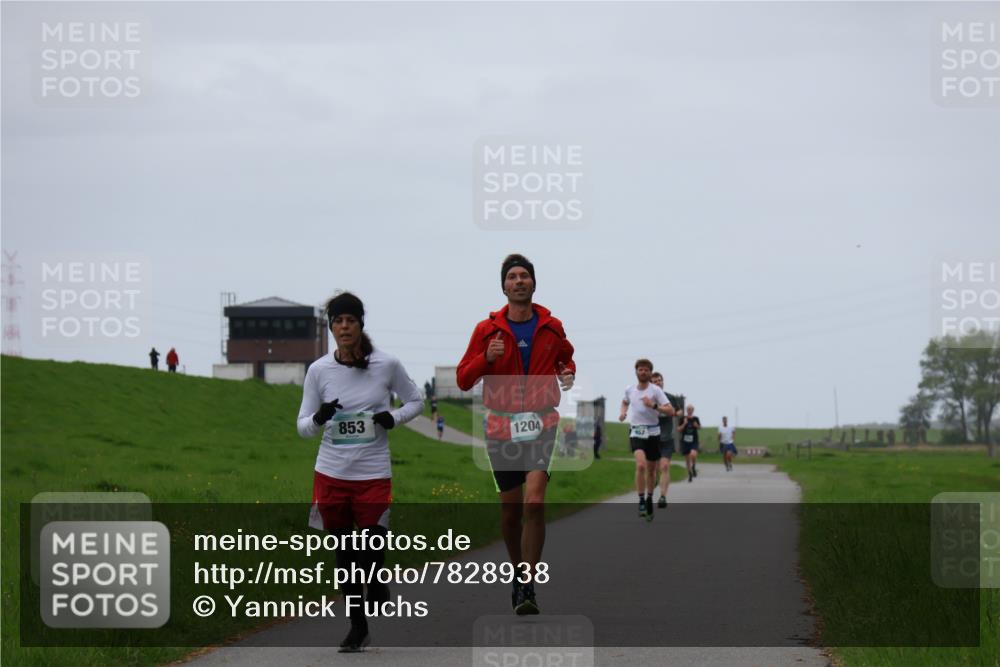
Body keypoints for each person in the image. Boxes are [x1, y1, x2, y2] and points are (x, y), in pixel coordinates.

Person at [296, 292, 423, 652]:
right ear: (331, 327)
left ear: (360, 323)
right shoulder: (319, 371)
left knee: (371, 546)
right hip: (331, 472)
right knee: (344, 554)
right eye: (338, 321)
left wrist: (392, 417)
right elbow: (302, 426)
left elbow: (416, 402)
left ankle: (377, 576)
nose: (345, 326)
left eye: (351, 319)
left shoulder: (386, 364)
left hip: (372, 471)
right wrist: (319, 418)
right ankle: (357, 627)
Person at [457, 253, 576, 616]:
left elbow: (566, 358)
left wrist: (567, 372)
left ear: (533, 284)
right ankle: (516, 571)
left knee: (534, 502)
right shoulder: (486, 330)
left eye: (525, 276)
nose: (519, 281)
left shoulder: (552, 326)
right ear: (504, 286)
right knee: (510, 513)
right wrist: (486, 360)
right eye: (512, 277)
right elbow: (464, 379)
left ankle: (528, 582)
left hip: (542, 423)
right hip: (501, 426)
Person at [619, 359, 673, 520]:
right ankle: (641, 499)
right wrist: (623, 412)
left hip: (653, 433)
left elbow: (670, 410)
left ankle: (650, 497)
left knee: (651, 470)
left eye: (646, 370)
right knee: (641, 465)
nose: (643, 372)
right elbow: (624, 401)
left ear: (650, 373)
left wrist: (654, 406)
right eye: (640, 369)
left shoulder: (656, 391)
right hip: (636, 431)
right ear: (636, 372)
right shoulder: (629, 389)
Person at [650, 372, 676, 508]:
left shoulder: (670, 398)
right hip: (652, 438)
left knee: (664, 466)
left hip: (666, 438)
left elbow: (676, 411)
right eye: (655, 381)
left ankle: (663, 497)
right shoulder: (646, 399)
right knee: (653, 470)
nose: (658, 383)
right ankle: (653, 482)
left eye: (660, 380)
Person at [678, 404, 702, 482]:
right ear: (686, 410)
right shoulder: (683, 418)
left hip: (694, 440)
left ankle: (694, 467)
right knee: (687, 459)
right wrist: (684, 424)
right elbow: (678, 429)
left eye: (691, 409)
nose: (689, 411)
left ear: (693, 410)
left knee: (693, 454)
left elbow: (700, 428)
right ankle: (690, 474)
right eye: (688, 409)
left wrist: (696, 425)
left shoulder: (696, 418)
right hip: (685, 441)